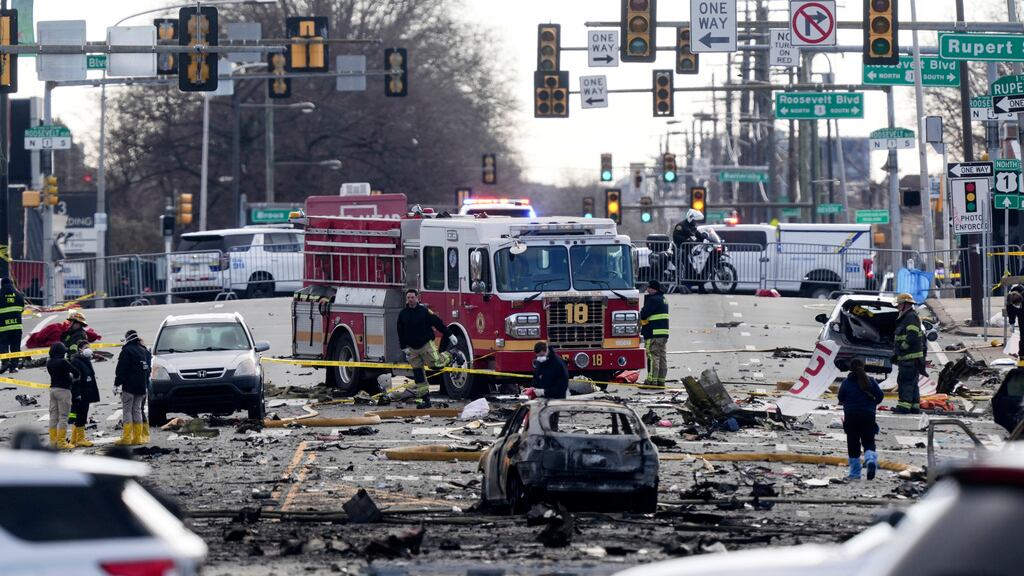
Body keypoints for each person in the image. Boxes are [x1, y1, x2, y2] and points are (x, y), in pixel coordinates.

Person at [397, 289, 459, 408]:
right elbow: (400, 331)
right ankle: (425, 400)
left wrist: (450, 334)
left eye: (412, 297)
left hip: (426, 344)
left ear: (417, 298)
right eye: (408, 298)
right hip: (412, 349)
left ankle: (452, 354)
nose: (410, 300)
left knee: (436, 364)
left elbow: (437, 323)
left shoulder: (424, 311)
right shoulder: (403, 314)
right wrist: (403, 347)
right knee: (418, 375)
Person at [838, 358, 883, 480]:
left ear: (850, 368)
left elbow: (840, 398)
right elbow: (880, 396)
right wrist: (871, 404)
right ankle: (870, 459)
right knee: (868, 441)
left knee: (853, 444)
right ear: (863, 367)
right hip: (868, 415)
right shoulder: (871, 381)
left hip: (851, 416)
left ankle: (855, 473)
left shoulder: (846, 382)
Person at [114, 329, 151, 446]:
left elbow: (121, 369)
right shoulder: (144, 350)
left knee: (127, 411)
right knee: (137, 410)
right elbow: (148, 369)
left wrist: (116, 383)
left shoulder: (127, 351)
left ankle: (126, 438)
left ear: (128, 338)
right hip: (141, 386)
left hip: (129, 387)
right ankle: (137, 438)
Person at [893, 292, 925, 414]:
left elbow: (912, 335)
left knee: (905, 382)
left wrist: (902, 348)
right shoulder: (908, 316)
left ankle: (904, 407)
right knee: (912, 383)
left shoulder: (910, 317)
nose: (898, 306)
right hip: (911, 357)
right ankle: (914, 406)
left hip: (909, 357)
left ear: (905, 304)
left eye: (899, 304)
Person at [46, 342, 79, 450]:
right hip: (64, 390)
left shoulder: (49, 362)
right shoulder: (63, 362)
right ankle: (61, 442)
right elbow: (76, 372)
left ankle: (53, 442)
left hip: (53, 390)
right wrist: (71, 378)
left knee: (53, 417)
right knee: (63, 417)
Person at [68, 341, 99, 448]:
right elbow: (75, 380)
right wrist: (77, 394)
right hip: (81, 393)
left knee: (81, 415)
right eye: (86, 347)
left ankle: (74, 439)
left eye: (89, 347)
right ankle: (80, 439)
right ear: (80, 349)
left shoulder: (85, 360)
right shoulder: (76, 361)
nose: (88, 349)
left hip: (86, 392)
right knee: (81, 416)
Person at [640, 279, 670, 388]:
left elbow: (644, 313)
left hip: (653, 333)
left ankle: (651, 381)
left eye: (649, 288)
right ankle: (661, 380)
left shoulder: (653, 300)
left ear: (654, 289)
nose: (647, 290)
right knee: (661, 357)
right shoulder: (663, 299)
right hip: (663, 334)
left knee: (652, 356)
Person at [672, 209, 710, 290]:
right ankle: (686, 285)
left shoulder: (692, 226)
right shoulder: (681, 225)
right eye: (694, 220)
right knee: (687, 267)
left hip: (689, 250)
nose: (695, 222)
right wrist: (686, 240)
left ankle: (696, 286)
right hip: (679, 250)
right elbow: (676, 236)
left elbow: (697, 234)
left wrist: (704, 236)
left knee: (694, 267)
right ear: (691, 218)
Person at [0, 277, 25, 373]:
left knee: (3, 345)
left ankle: (5, 362)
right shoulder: (19, 295)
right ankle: (13, 367)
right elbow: (22, 309)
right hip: (16, 326)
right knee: (15, 346)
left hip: (3, 327)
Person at [1007, 291, 1024, 359]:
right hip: (1022, 318)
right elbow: (1011, 314)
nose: (1018, 305)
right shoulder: (1010, 304)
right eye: (1017, 304)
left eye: (1019, 303)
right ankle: (1022, 355)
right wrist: (1011, 323)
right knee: (1023, 337)